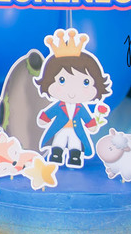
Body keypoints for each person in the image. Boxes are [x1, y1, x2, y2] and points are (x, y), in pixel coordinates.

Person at [33, 28, 112, 168]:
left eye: (86, 82)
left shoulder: (81, 108)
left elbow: (87, 118)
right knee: (58, 142)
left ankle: (75, 157)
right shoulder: (59, 106)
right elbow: (49, 113)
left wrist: (92, 124)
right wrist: (44, 118)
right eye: (62, 80)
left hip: (76, 131)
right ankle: (56, 155)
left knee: (75, 144)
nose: (72, 91)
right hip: (60, 128)